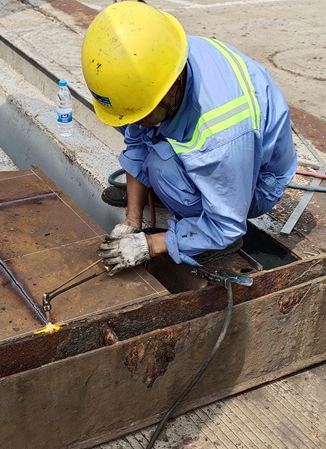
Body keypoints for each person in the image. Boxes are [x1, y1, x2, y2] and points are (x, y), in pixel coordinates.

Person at [81, 1, 297, 274]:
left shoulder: (221, 138)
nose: (134, 124)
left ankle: (208, 237)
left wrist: (150, 244)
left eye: (141, 115)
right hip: (229, 151)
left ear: (172, 89)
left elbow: (228, 224)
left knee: (162, 167)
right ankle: (178, 195)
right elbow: (137, 140)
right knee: (154, 146)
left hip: (256, 183)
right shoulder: (160, 59)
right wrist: (132, 220)